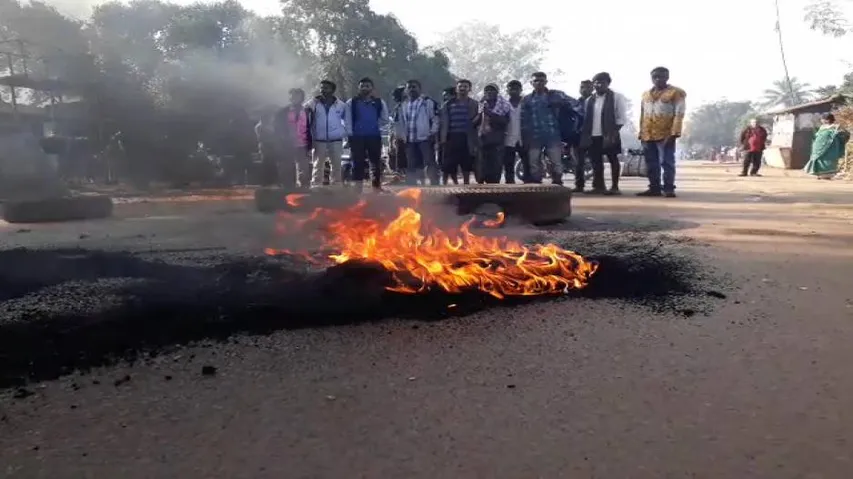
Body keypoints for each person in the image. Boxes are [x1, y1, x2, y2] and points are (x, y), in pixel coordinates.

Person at [638, 66, 686, 197]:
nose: (658, 79)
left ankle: (669, 188)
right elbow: (643, 114)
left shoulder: (676, 93)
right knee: (651, 163)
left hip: (666, 134)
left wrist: (674, 133)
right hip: (647, 134)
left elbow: (679, 114)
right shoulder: (645, 94)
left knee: (667, 162)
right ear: (651, 78)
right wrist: (641, 132)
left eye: (662, 77)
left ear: (667, 77)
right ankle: (654, 188)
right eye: (655, 77)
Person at [519, 71, 574, 185]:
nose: (539, 83)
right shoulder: (527, 99)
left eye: (541, 81)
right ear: (531, 83)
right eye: (536, 81)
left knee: (556, 161)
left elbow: (573, 104)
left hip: (552, 134)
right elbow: (522, 119)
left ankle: (557, 183)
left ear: (546, 82)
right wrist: (525, 136)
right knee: (534, 161)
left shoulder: (556, 95)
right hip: (534, 136)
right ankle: (537, 184)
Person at [580, 72, 628, 195]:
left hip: (610, 134)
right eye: (596, 83)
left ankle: (615, 187)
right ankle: (599, 186)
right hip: (593, 135)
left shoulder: (617, 97)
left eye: (602, 82)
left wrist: (613, 133)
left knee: (613, 160)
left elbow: (621, 117)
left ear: (608, 83)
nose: (599, 85)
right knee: (596, 161)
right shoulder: (589, 100)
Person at [344, 77, 390, 192]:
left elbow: (385, 119)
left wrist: (375, 125)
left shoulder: (379, 102)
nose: (364, 88)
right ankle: (357, 188)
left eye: (367, 86)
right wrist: (350, 135)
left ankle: (376, 186)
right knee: (357, 162)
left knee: (375, 162)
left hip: (374, 136)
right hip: (357, 137)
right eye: (362, 86)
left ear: (372, 88)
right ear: (358, 88)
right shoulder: (351, 102)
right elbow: (347, 120)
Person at [304, 79, 347, 187]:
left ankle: (336, 185)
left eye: (326, 88)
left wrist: (344, 133)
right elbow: (303, 113)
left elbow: (347, 121)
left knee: (336, 164)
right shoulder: (313, 103)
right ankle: (316, 185)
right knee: (317, 164)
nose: (323, 90)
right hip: (319, 139)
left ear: (332, 90)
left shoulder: (341, 105)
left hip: (336, 139)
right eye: (321, 88)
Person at [397, 79, 439, 185]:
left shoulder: (427, 102)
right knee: (412, 164)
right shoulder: (403, 105)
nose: (412, 89)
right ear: (406, 90)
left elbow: (435, 119)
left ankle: (435, 184)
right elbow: (401, 122)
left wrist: (432, 133)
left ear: (420, 89)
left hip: (425, 138)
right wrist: (402, 136)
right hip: (410, 139)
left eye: (414, 87)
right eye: (409, 87)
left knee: (429, 162)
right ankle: (413, 186)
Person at [440, 79, 480, 184]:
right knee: (448, 164)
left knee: (466, 163)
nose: (462, 88)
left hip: (467, 137)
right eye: (460, 86)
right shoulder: (448, 104)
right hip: (451, 137)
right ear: (456, 89)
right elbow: (443, 122)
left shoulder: (474, 104)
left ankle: (466, 185)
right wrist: (443, 139)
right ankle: (444, 186)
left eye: (465, 87)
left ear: (469, 89)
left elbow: (477, 121)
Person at [273, 88, 311, 188]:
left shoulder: (307, 111)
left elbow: (311, 126)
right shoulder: (282, 112)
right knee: (287, 166)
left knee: (303, 167)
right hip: (287, 144)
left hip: (303, 143)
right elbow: (277, 128)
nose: (294, 98)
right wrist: (281, 140)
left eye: (297, 96)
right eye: (292, 96)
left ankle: (302, 187)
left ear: (302, 98)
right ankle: (287, 186)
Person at [476, 83, 511, 183]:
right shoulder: (480, 104)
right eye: (487, 90)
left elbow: (505, 121)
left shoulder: (504, 105)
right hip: (483, 140)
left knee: (495, 165)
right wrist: (481, 114)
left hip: (497, 140)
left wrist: (490, 113)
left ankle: (494, 185)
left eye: (492, 90)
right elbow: (475, 122)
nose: (489, 92)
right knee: (481, 165)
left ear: (497, 92)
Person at [804, 113, 850, 180]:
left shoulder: (836, 127)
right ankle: (819, 174)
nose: (821, 120)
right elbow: (818, 136)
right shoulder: (822, 127)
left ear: (827, 120)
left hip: (831, 148)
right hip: (819, 148)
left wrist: (838, 135)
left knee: (828, 160)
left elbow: (845, 134)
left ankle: (827, 175)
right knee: (819, 160)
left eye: (822, 119)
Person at [503, 80, 527, 183]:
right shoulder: (504, 104)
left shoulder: (526, 102)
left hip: (524, 138)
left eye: (516, 89)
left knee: (527, 163)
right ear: (507, 91)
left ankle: (529, 185)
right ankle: (510, 184)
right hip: (508, 138)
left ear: (521, 90)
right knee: (508, 164)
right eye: (511, 89)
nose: (514, 91)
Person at [571, 80, 593, 191]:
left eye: (588, 87)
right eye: (582, 87)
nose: (584, 90)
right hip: (577, 136)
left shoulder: (596, 101)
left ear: (592, 89)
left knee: (595, 161)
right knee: (578, 162)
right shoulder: (575, 103)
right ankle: (579, 185)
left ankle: (598, 186)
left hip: (593, 135)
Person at [255, 109, 279, 186]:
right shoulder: (259, 127)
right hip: (265, 147)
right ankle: (266, 181)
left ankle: (273, 181)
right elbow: (261, 137)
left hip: (271, 147)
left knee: (272, 164)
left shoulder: (271, 126)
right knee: (266, 163)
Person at [388, 85, 408, 177]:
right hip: (398, 137)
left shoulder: (407, 106)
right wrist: (392, 139)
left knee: (405, 160)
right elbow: (394, 124)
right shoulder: (398, 107)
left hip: (406, 137)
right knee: (398, 159)